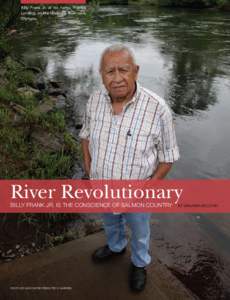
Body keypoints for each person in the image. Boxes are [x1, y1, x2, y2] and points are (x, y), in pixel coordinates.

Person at [79, 44, 179, 292]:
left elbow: (168, 157)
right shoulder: (94, 100)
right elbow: (86, 135)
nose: (117, 78)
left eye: (123, 70)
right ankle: (115, 247)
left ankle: (139, 263)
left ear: (135, 71)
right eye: (109, 71)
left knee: (140, 231)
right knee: (110, 222)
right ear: (101, 74)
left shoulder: (158, 109)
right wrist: (89, 168)